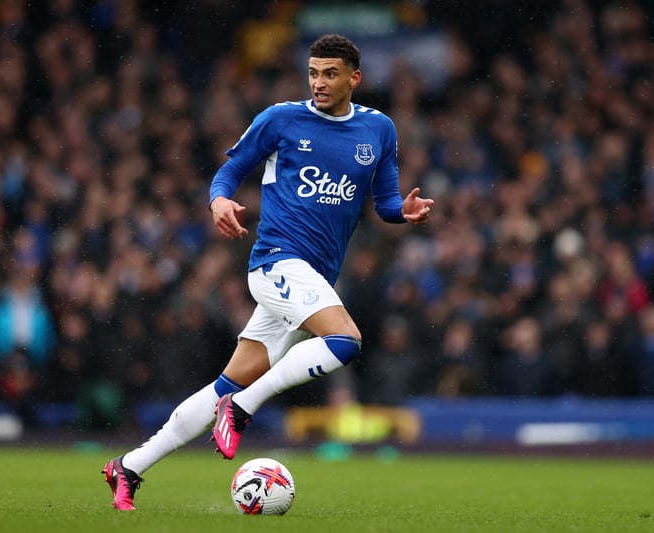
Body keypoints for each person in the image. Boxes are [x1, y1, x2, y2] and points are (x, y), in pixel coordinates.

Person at [102, 33, 434, 510]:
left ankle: (129, 467)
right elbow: (229, 171)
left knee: (224, 384)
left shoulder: (379, 129)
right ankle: (242, 409)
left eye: (331, 74)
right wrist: (218, 201)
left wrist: (403, 211)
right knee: (345, 341)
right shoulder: (281, 119)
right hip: (275, 262)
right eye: (314, 73)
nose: (319, 82)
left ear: (354, 79)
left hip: (312, 279)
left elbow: (383, 203)